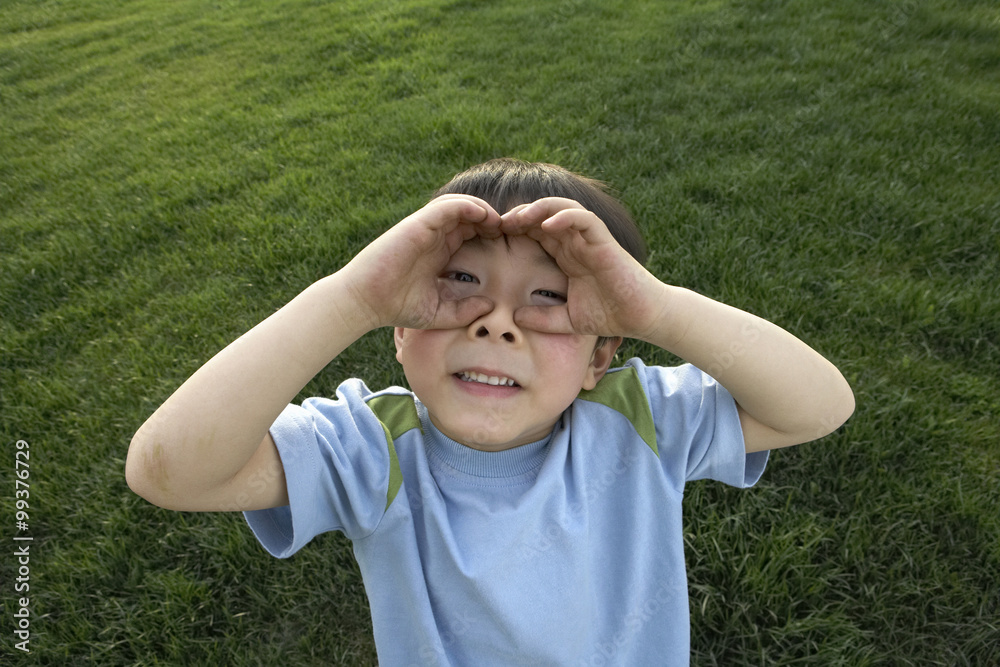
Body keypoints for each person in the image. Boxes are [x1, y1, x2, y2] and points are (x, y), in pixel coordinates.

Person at [126, 158, 854, 665]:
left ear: (600, 358)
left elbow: (818, 405)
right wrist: (350, 297)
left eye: (547, 296)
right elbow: (172, 470)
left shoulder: (639, 420)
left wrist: (656, 307)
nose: (497, 323)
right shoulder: (372, 447)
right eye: (462, 283)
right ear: (402, 330)